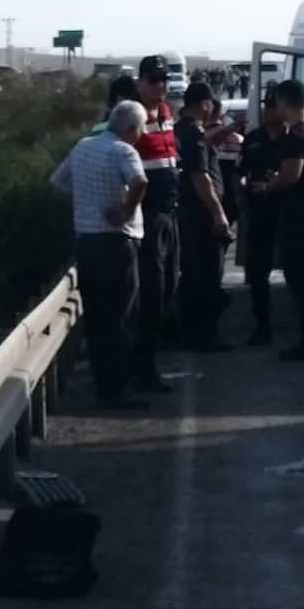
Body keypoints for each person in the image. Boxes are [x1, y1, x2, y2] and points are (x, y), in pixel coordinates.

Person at [50, 100, 150, 410]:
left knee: (96, 321)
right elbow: (140, 181)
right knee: (119, 319)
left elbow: (58, 182)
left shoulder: (83, 146)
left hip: (87, 243)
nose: (141, 135)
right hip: (116, 244)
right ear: (129, 128)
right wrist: (126, 210)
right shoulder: (123, 151)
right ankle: (117, 390)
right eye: (141, 129)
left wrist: (86, 203)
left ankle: (103, 386)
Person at [251, 79, 304, 361]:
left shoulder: (295, 136)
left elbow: (291, 175)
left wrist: (267, 186)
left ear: (285, 102)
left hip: (299, 213)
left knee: (301, 280)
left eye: (277, 103)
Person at [175, 82, 235, 351]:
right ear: (206, 104)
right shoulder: (195, 134)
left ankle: (189, 330)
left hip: (187, 213)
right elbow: (201, 177)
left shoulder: (181, 131)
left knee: (191, 273)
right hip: (201, 216)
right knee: (208, 275)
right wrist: (218, 214)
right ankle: (206, 334)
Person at [132, 54, 180, 390]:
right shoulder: (131, 115)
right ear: (140, 82)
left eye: (164, 79)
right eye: (153, 80)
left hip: (168, 213)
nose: (160, 85)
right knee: (150, 295)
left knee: (166, 291)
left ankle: (148, 363)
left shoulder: (165, 112)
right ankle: (143, 371)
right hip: (146, 216)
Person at [235, 92, 287, 345]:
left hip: (288, 212)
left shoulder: (294, 139)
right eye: (267, 106)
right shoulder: (254, 139)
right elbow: (239, 171)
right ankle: (262, 325)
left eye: (274, 107)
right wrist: (242, 193)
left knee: (296, 270)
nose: (269, 111)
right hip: (258, 212)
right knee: (258, 272)